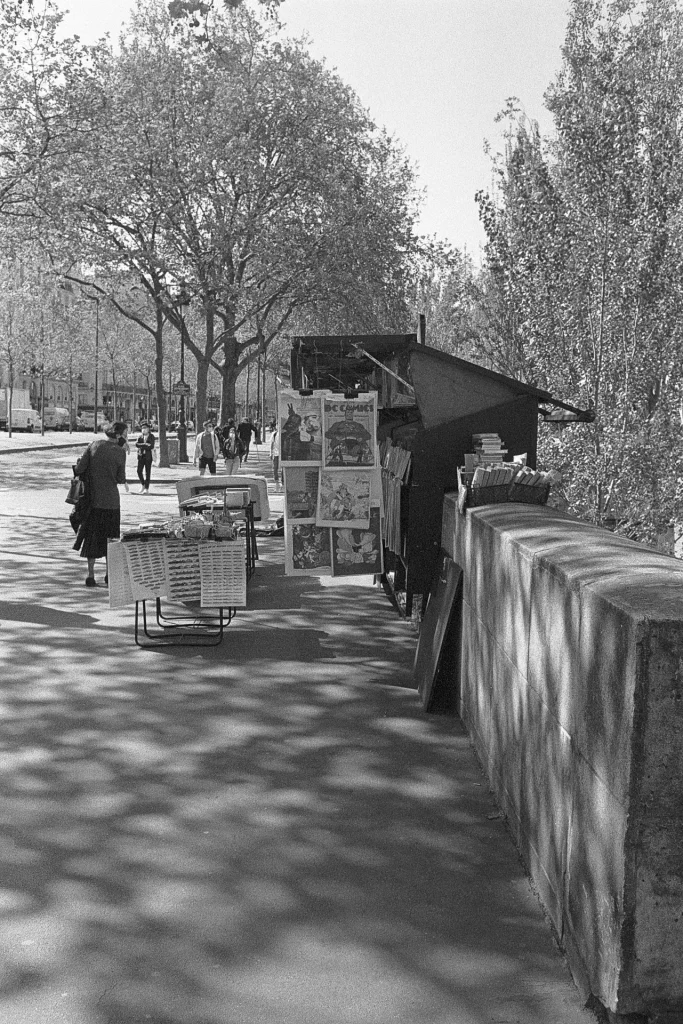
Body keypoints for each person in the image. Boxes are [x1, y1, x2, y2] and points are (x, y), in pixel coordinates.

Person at [73, 421, 128, 587]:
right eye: (125, 434)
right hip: (111, 501)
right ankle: (108, 574)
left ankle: (90, 574)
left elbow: (80, 468)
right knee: (110, 538)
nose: (126, 437)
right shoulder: (120, 452)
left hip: (93, 501)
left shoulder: (93, 445)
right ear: (118, 435)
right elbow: (120, 478)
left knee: (92, 538)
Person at [135, 422, 155, 493]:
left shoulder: (151, 436)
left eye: (145, 428)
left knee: (147, 472)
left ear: (148, 429)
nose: (143, 430)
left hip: (148, 457)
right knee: (139, 471)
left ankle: (146, 488)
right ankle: (143, 484)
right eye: (142, 428)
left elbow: (151, 446)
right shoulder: (140, 437)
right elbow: (137, 444)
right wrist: (145, 444)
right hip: (141, 456)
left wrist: (142, 445)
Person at [270, 424, 281, 489]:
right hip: (276, 453)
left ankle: (283, 480)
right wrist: (271, 453)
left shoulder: (284, 434)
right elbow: (272, 444)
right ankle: (276, 480)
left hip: (282, 454)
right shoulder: (274, 434)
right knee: (275, 467)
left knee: (282, 468)